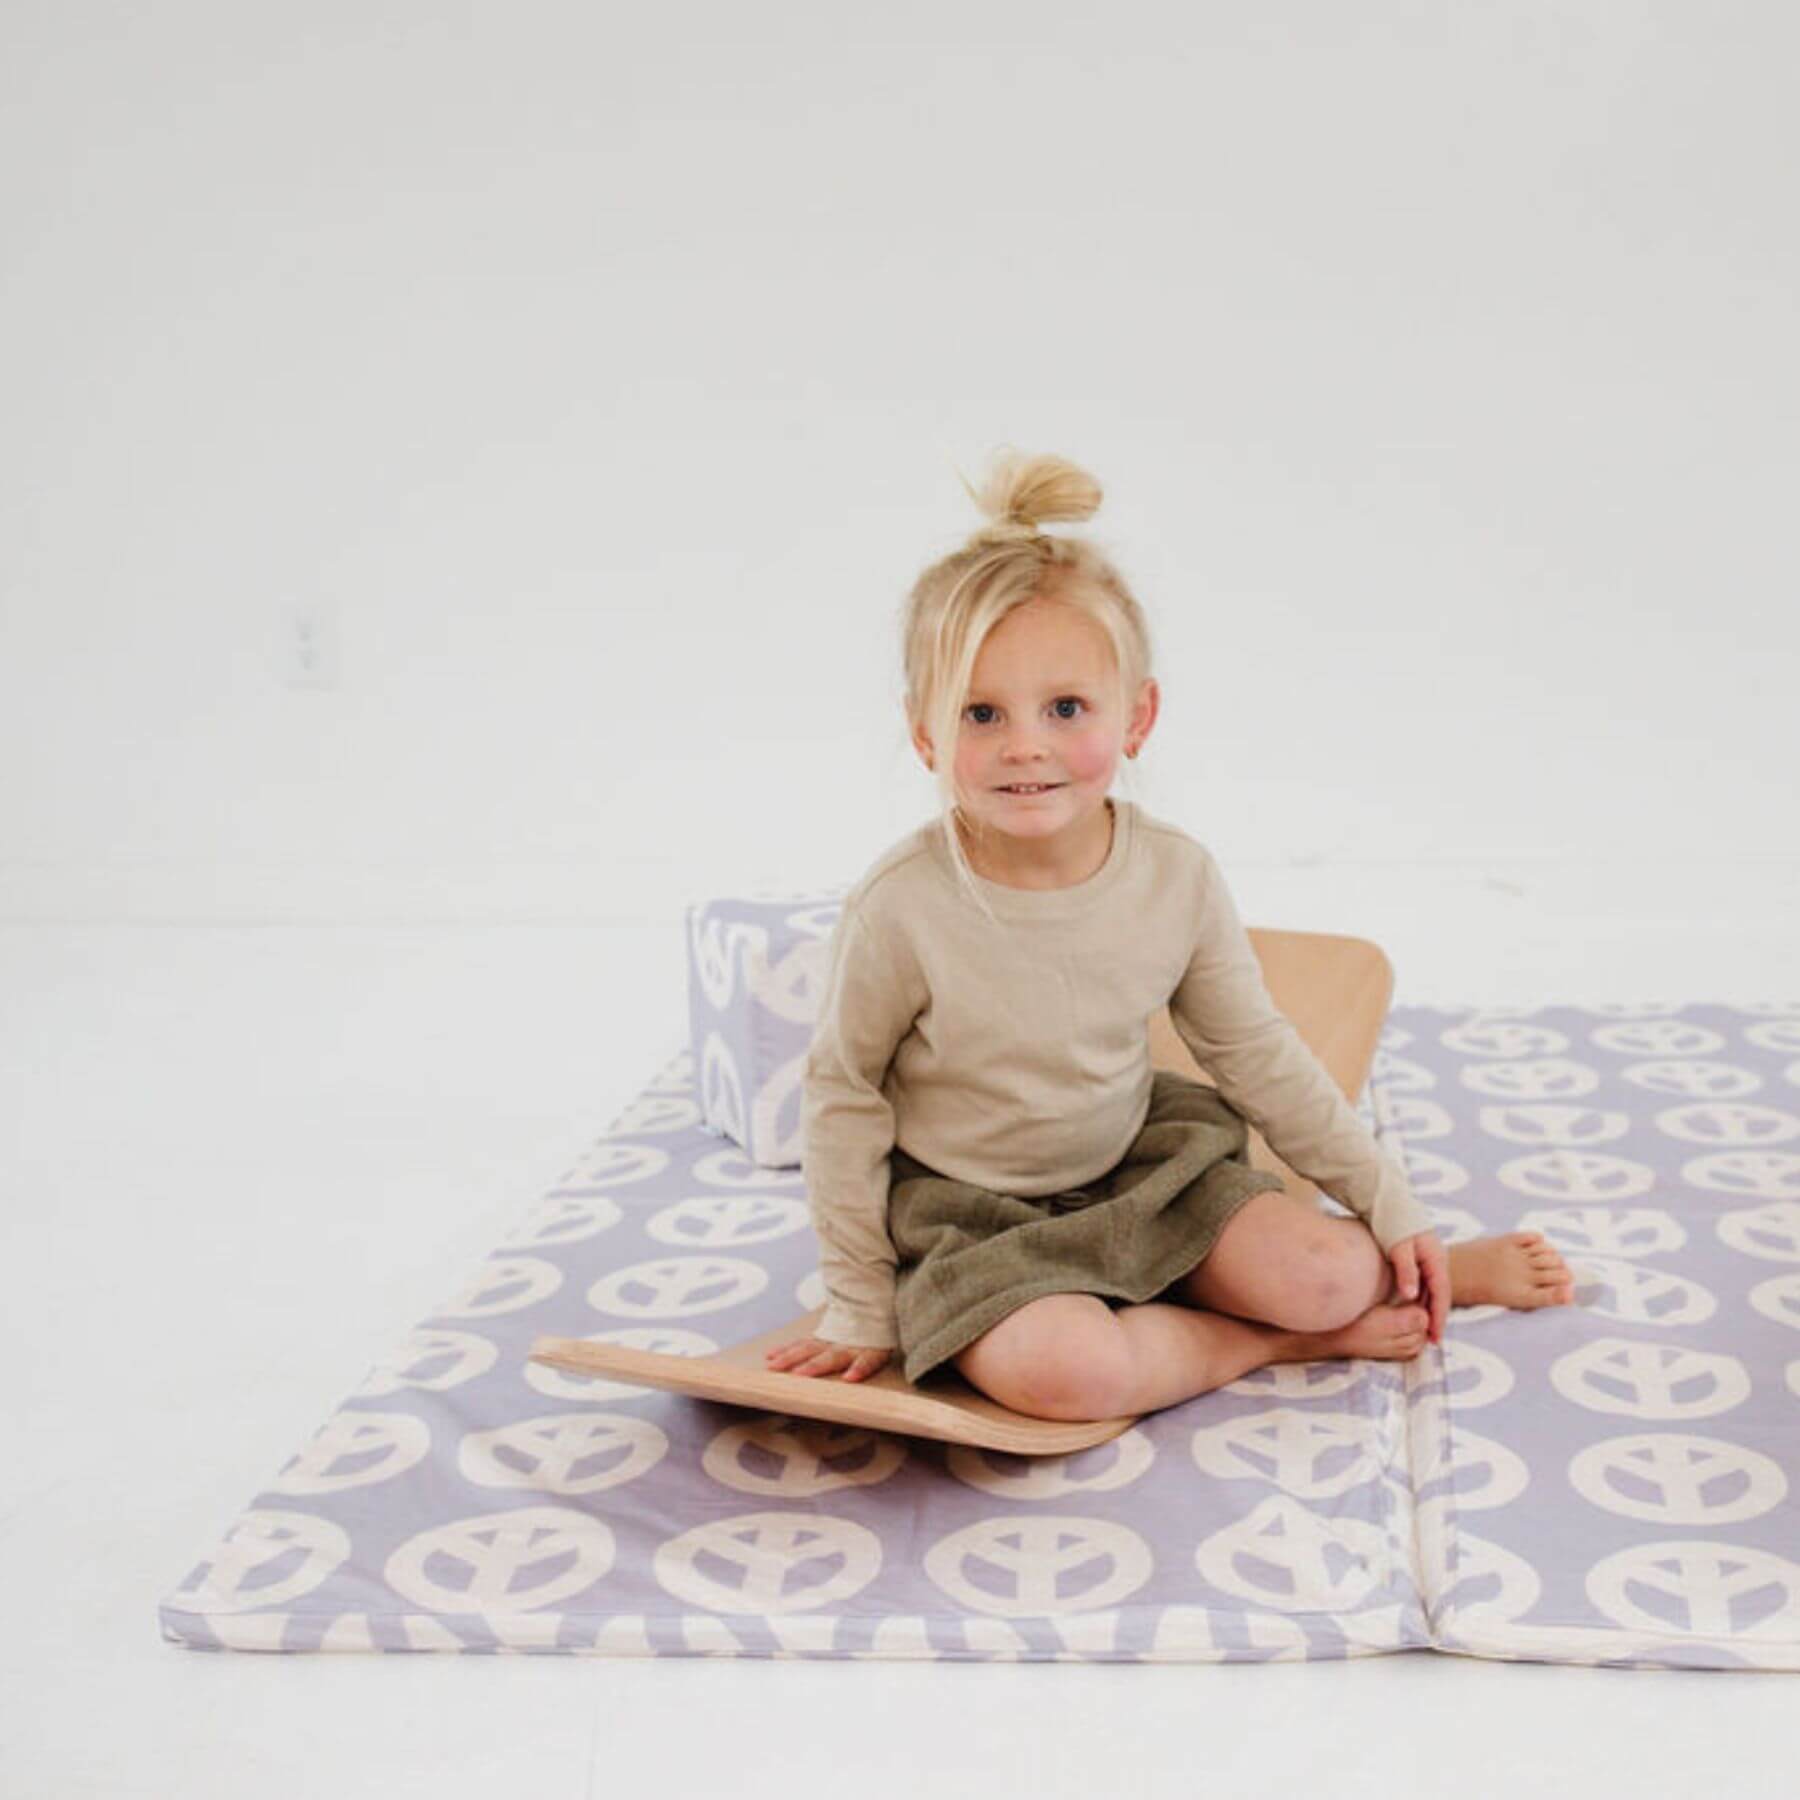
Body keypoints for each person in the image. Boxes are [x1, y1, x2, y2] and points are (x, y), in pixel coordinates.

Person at [767, 448, 1575, 1423]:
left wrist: (1387, 1196)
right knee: (1073, 1376)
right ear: (927, 736)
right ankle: (1283, 1346)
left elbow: (1255, 1053)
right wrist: (859, 1301)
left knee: (1326, 1269)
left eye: (1066, 708)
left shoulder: (1175, 875)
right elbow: (844, 1091)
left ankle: (1372, 1290)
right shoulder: (903, 905)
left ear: (1137, 716)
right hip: (969, 1213)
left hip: (1137, 1165)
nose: (1027, 745)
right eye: (983, 713)